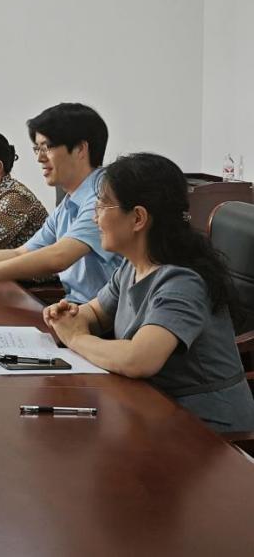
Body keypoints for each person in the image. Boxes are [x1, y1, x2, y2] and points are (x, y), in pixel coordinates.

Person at [44, 153, 254, 433]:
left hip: (209, 431)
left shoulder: (182, 280)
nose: (95, 216)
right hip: (154, 407)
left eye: (102, 205)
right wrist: (70, 315)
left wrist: (75, 338)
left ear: (138, 218)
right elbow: (96, 312)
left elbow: (139, 359)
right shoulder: (133, 266)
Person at [0, 102, 120, 304]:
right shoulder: (70, 201)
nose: (40, 158)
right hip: (76, 306)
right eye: (37, 149)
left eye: (47, 148)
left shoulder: (103, 196)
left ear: (80, 149)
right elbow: (21, 252)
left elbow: (58, 257)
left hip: (101, 313)